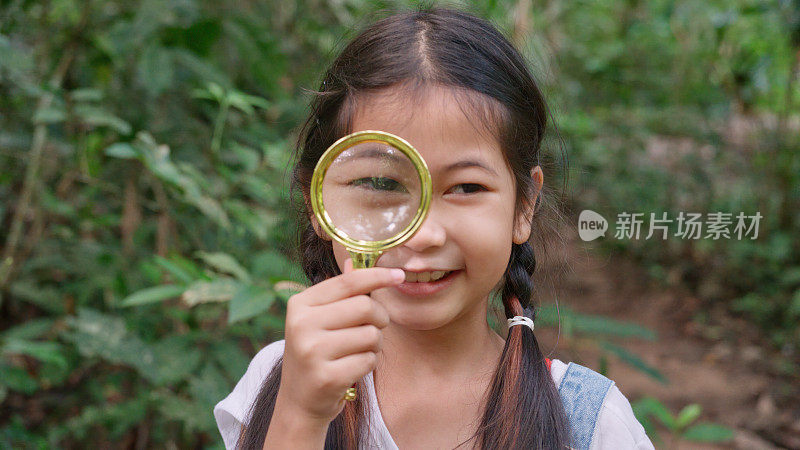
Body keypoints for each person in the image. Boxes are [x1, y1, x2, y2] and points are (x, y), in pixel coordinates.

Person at [214, 6, 654, 450]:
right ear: (321, 201)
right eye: (381, 184)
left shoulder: (590, 424)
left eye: (466, 187)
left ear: (524, 205)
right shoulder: (279, 380)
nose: (423, 234)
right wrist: (300, 416)